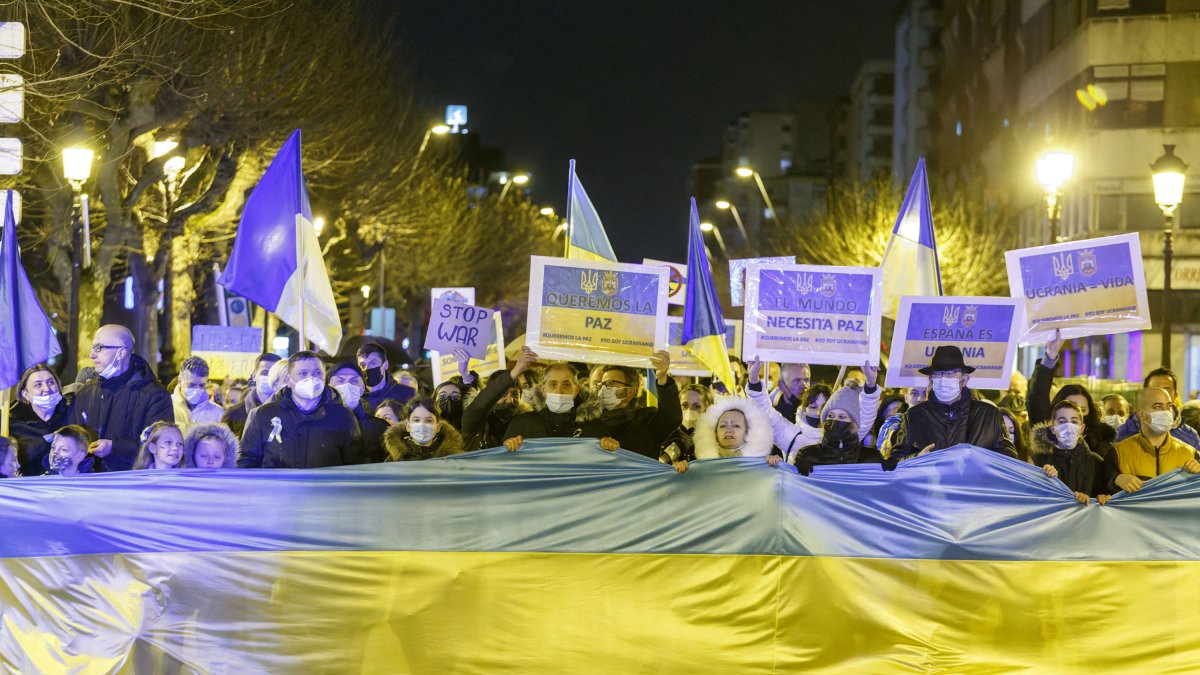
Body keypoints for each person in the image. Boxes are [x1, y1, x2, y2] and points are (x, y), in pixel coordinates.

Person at [68, 324, 174, 471]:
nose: (92, 354)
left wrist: (115, 447)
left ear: (121, 353)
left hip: (133, 485)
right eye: (93, 348)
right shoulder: (85, 392)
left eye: (99, 348)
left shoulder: (156, 395)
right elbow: (71, 437)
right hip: (89, 484)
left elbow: (161, 445)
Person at [887, 346, 1017, 461]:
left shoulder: (989, 415)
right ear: (931, 379)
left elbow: (1010, 460)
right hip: (931, 487)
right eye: (937, 374)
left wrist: (981, 462)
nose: (943, 379)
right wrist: (916, 459)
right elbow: (894, 462)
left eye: (950, 374)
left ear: (964, 379)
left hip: (973, 487)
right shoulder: (913, 416)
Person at [237, 351, 363, 468]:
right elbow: (247, 460)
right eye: (303, 373)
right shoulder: (264, 415)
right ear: (288, 380)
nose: (311, 378)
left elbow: (354, 465)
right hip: (277, 490)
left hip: (324, 491)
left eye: (317, 373)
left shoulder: (343, 417)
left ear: (325, 377)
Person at [747, 358, 879, 464]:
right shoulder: (793, 437)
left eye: (824, 408)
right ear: (804, 410)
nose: (818, 413)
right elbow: (766, 414)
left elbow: (865, 414)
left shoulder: (847, 435)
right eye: (813, 406)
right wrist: (753, 381)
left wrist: (871, 384)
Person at [502, 362, 613, 450]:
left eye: (566, 385)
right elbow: (505, 465)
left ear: (577, 389)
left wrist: (609, 448)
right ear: (543, 390)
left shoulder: (595, 427)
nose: (559, 391)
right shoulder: (522, 424)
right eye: (553, 385)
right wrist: (509, 446)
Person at [1111, 386, 1200, 493]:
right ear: (1141, 414)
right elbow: (1102, 496)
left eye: (1169, 406)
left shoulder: (1189, 453)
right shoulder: (1118, 452)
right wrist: (1116, 480)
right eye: (1158, 407)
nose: (1166, 412)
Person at [593, 352, 682, 459]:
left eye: (610, 383)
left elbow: (671, 418)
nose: (603, 389)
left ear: (630, 391)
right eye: (602, 384)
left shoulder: (647, 420)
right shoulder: (591, 420)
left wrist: (663, 378)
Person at [786, 386, 885, 475]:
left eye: (842, 417)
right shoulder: (807, 455)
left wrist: (895, 472)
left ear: (854, 424)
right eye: (831, 416)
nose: (835, 421)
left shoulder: (872, 459)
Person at [1030, 400, 1113, 503]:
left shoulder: (1096, 462)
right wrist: (1045, 479)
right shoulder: (1039, 461)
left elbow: (1106, 494)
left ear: (1081, 428)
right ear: (1052, 429)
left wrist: (1101, 498)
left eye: (1074, 422)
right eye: (1062, 422)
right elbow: (1032, 497)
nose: (1068, 426)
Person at [460, 347, 538, 451]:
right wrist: (515, 371)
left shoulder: (527, 423)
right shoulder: (475, 422)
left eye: (515, 394)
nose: (510, 400)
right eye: (504, 394)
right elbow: (481, 404)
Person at [677, 397, 773, 472]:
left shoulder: (762, 462)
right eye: (723, 426)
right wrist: (680, 468)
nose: (728, 430)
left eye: (736, 425)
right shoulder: (694, 459)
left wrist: (773, 464)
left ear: (748, 432)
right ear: (714, 432)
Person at [9, 364, 72, 476]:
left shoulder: (73, 413)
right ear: (26, 395)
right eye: (38, 385)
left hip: (69, 487)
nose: (47, 389)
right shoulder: (13, 425)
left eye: (51, 382)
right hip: (31, 489)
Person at [1115, 367, 1200, 448]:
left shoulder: (1189, 436)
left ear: (1175, 395)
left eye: (1166, 390)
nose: (1161, 394)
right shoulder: (1124, 434)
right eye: (1155, 389)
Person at [328, 360, 389, 463]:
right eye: (340, 381)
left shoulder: (379, 428)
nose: (347, 385)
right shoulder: (318, 425)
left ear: (362, 389)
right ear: (329, 387)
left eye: (354, 381)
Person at [381, 397, 465, 461]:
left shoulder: (454, 458)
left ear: (438, 427)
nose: (422, 425)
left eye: (428, 420)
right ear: (407, 425)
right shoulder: (395, 459)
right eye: (416, 420)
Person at [221, 353, 282, 437]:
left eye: (273, 374)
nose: (269, 378)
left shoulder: (288, 412)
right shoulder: (233, 413)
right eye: (265, 373)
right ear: (254, 375)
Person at [660, 383, 713, 464]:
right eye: (684, 405)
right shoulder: (666, 436)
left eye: (697, 406)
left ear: (707, 409)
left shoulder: (714, 440)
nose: (689, 411)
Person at [171, 356, 225, 432]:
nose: (197, 390)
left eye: (202, 385)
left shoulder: (218, 413)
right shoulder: (168, 406)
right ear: (180, 381)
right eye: (191, 385)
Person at [358, 343, 415, 411]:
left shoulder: (407, 394)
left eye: (373, 363)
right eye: (363, 365)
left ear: (385, 365)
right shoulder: (356, 398)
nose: (367, 368)